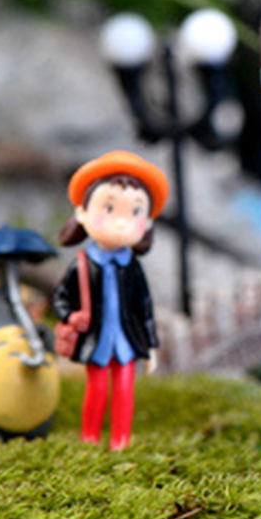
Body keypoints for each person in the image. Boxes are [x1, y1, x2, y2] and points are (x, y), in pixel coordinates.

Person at [52, 150, 169, 450]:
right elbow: (61, 298)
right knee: (96, 387)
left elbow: (144, 307)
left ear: (148, 222)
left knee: (125, 388)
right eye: (109, 208)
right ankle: (90, 437)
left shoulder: (132, 267)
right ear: (82, 213)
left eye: (135, 212)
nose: (120, 223)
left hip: (127, 339)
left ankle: (121, 439)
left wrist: (151, 345)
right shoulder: (82, 264)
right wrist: (70, 316)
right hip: (97, 338)